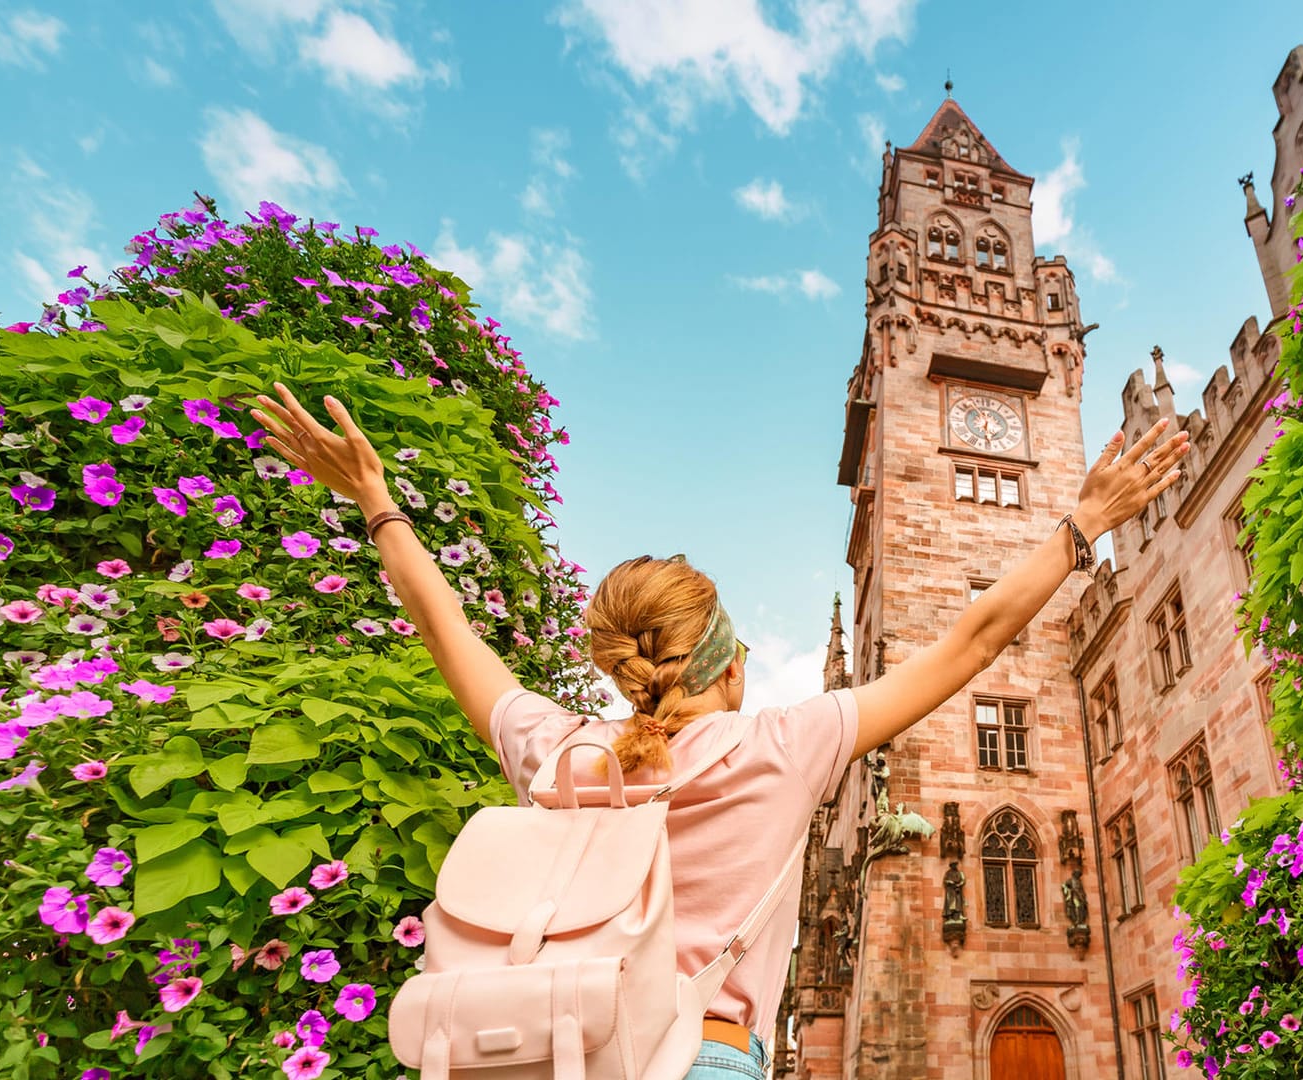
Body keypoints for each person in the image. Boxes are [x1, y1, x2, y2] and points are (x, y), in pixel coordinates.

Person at [249, 384, 1189, 1080]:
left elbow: (444, 625)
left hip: (551, 1051)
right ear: (730, 665)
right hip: (703, 1057)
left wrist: (376, 500)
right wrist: (1084, 522)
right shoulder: (784, 747)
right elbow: (975, 638)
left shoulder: (555, 749)